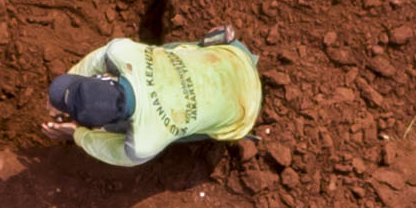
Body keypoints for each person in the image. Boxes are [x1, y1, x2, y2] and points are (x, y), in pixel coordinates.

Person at [44, 30, 264, 167]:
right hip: (236, 56)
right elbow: (90, 65)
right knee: (166, 52)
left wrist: (78, 134)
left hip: (244, 115)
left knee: (175, 131)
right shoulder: (120, 52)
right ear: (105, 77)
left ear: (100, 124)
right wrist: (64, 98)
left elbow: (107, 149)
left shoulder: (142, 144)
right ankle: (217, 40)